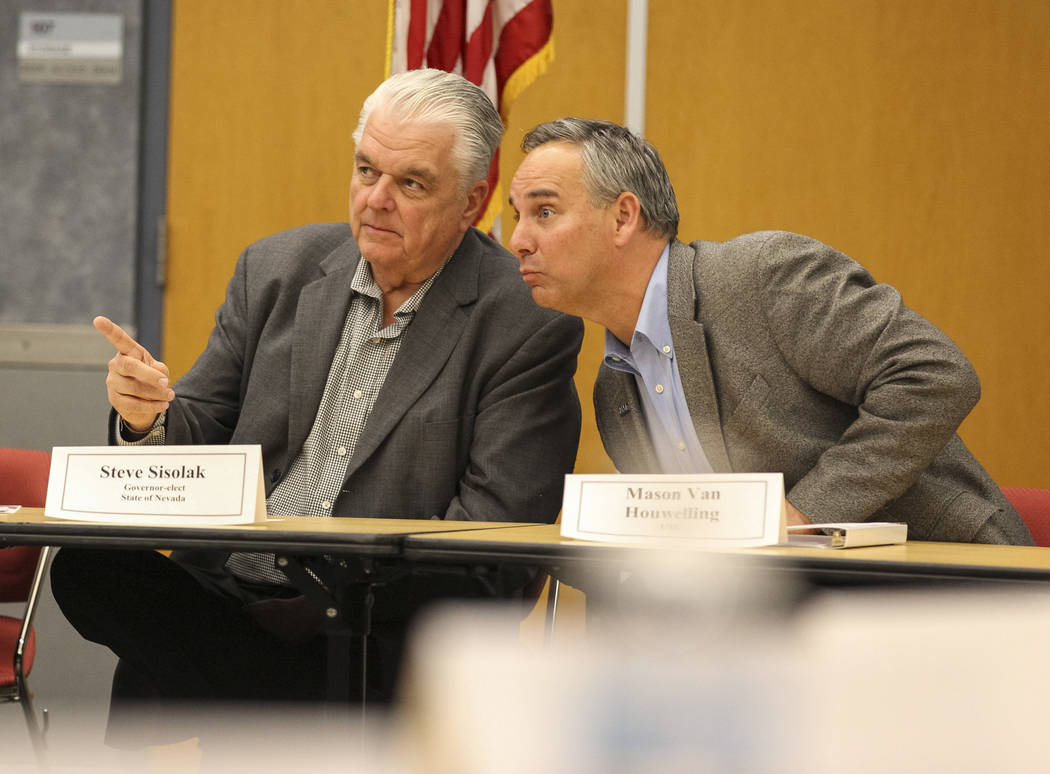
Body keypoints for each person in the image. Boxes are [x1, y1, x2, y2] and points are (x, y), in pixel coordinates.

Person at [49, 70, 584, 745]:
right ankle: (279, 708)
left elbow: (493, 534)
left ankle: (268, 710)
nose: (376, 200)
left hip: (372, 614)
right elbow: (199, 431)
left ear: (472, 201)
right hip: (231, 598)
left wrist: (325, 603)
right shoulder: (277, 270)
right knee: (88, 567)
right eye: (366, 170)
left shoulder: (526, 320)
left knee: (304, 646)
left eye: (410, 183)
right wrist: (146, 418)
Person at [508, 117, 1031, 545]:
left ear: (624, 217)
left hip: (951, 582)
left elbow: (936, 377)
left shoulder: (762, 276)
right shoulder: (613, 392)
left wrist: (805, 513)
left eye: (545, 211)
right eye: (518, 216)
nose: (518, 241)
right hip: (792, 632)